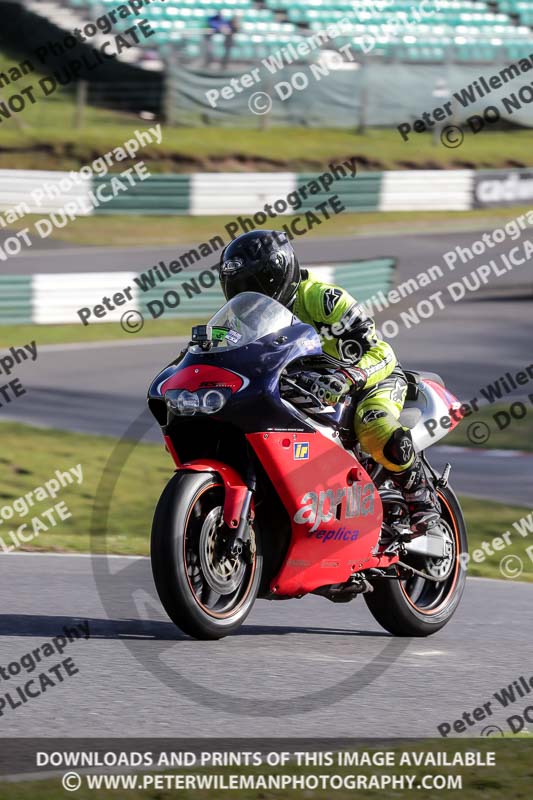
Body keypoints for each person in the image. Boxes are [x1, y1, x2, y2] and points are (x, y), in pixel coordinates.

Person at [218, 229, 441, 535]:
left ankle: (420, 496)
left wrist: (349, 375)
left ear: (274, 276)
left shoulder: (322, 299)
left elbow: (380, 351)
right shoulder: (245, 319)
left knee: (373, 425)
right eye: (237, 287)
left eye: (250, 285)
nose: (245, 294)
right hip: (306, 390)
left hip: (370, 381)